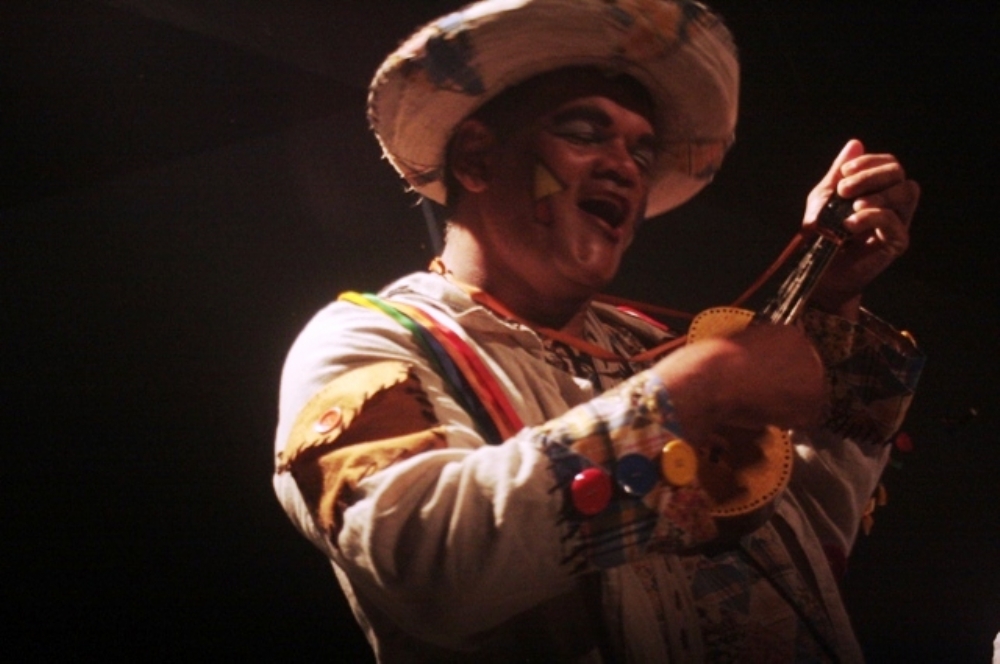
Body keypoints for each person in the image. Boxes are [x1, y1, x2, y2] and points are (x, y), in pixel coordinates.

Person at [273, 0, 922, 661]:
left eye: (642, 150)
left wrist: (831, 295)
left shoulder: (647, 347)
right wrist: (697, 391)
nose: (626, 166)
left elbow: (809, 537)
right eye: (585, 133)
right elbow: (429, 568)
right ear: (476, 157)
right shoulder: (367, 340)